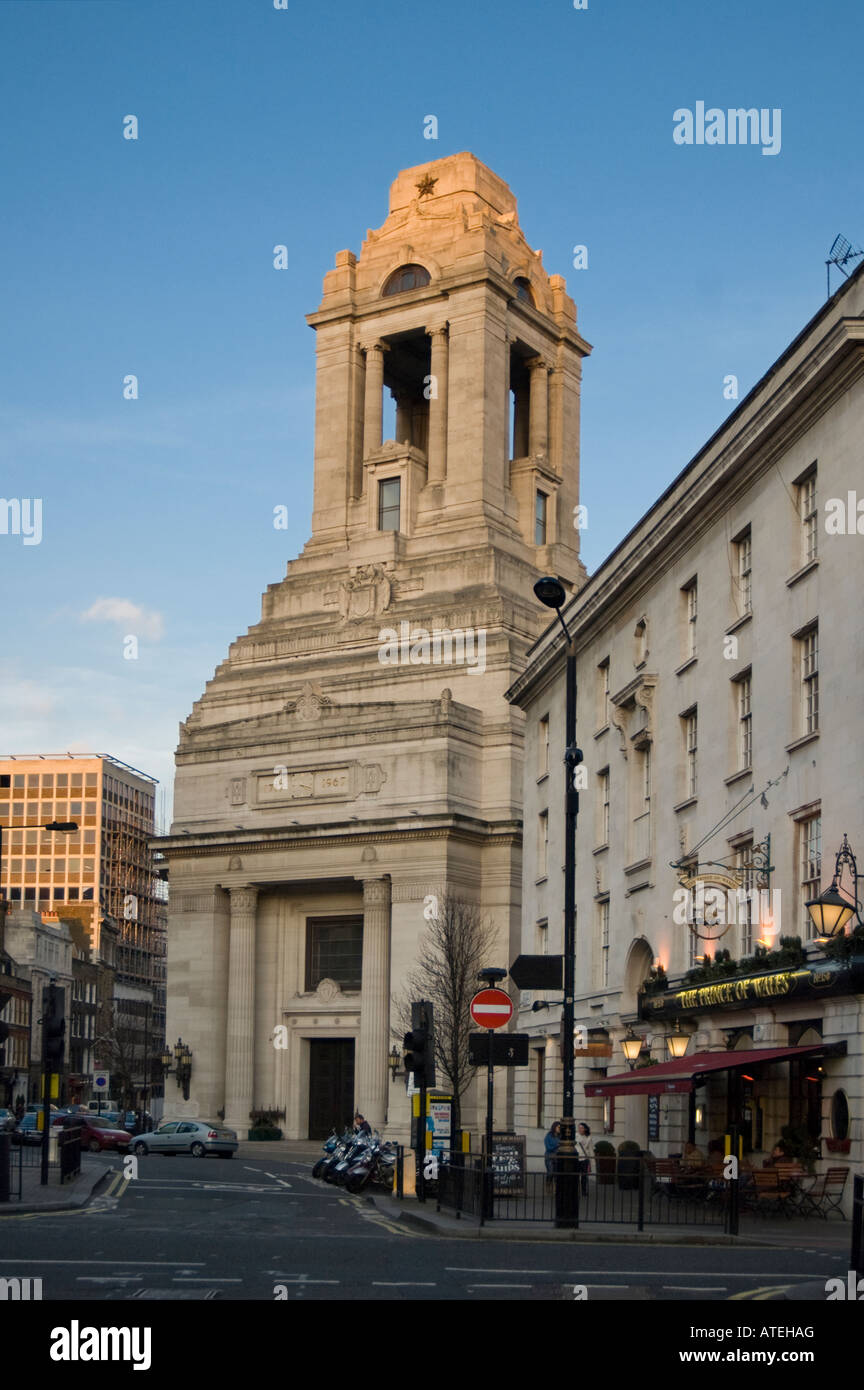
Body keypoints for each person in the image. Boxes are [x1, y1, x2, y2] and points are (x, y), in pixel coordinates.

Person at [576, 1121, 593, 1195]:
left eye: (581, 1128)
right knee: (576, 1176)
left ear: (585, 1129)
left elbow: (591, 1149)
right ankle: (576, 1190)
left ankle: (584, 1191)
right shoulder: (575, 1135)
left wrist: (592, 1161)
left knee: (584, 1176)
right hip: (576, 1158)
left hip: (585, 1158)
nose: (580, 1129)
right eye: (579, 1128)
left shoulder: (589, 1137)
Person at [544, 1120, 561, 1188]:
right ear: (554, 1127)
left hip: (557, 1157)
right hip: (549, 1157)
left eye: (560, 1127)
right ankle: (548, 1185)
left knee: (556, 1174)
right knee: (550, 1172)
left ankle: (555, 1189)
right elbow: (548, 1148)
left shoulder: (560, 1137)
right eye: (558, 1127)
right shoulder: (548, 1136)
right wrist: (557, 1145)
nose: (560, 1129)